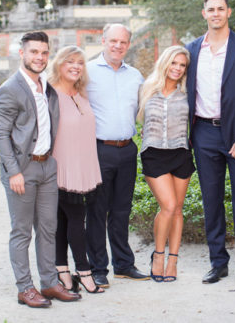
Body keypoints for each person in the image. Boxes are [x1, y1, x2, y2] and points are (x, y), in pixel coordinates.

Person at [0, 31, 80, 308]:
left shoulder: (48, 87)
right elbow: (0, 133)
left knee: (48, 228)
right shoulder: (10, 89)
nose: (39, 57)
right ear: (22, 53)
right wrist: (14, 171)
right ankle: (24, 288)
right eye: (34, 52)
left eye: (44, 52)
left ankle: (50, 282)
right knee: (21, 231)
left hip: (47, 167)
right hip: (22, 169)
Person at [186, 0, 235, 291]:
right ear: (203, 13)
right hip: (204, 133)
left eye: (221, 8)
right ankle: (218, 263)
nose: (216, 13)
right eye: (211, 9)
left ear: (229, 12)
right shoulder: (192, 49)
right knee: (211, 203)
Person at [86, 23, 148, 287]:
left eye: (123, 42)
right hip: (99, 149)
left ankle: (123, 264)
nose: (118, 46)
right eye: (113, 41)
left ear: (128, 44)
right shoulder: (86, 72)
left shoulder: (135, 76)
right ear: (103, 40)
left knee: (122, 211)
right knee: (97, 211)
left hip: (127, 150)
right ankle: (97, 267)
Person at [47, 46, 105, 294]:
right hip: (61, 167)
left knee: (63, 220)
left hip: (83, 167)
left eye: (80, 63)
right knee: (75, 219)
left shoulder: (81, 94)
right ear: (59, 64)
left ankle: (62, 271)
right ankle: (83, 272)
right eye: (70, 61)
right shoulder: (49, 95)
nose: (75, 66)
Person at [137, 45, 195, 282]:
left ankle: (173, 260)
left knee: (178, 209)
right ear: (165, 63)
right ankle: (158, 256)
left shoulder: (188, 93)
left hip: (181, 153)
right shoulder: (146, 89)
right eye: (174, 63)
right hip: (153, 153)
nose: (178, 69)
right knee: (168, 206)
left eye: (182, 65)